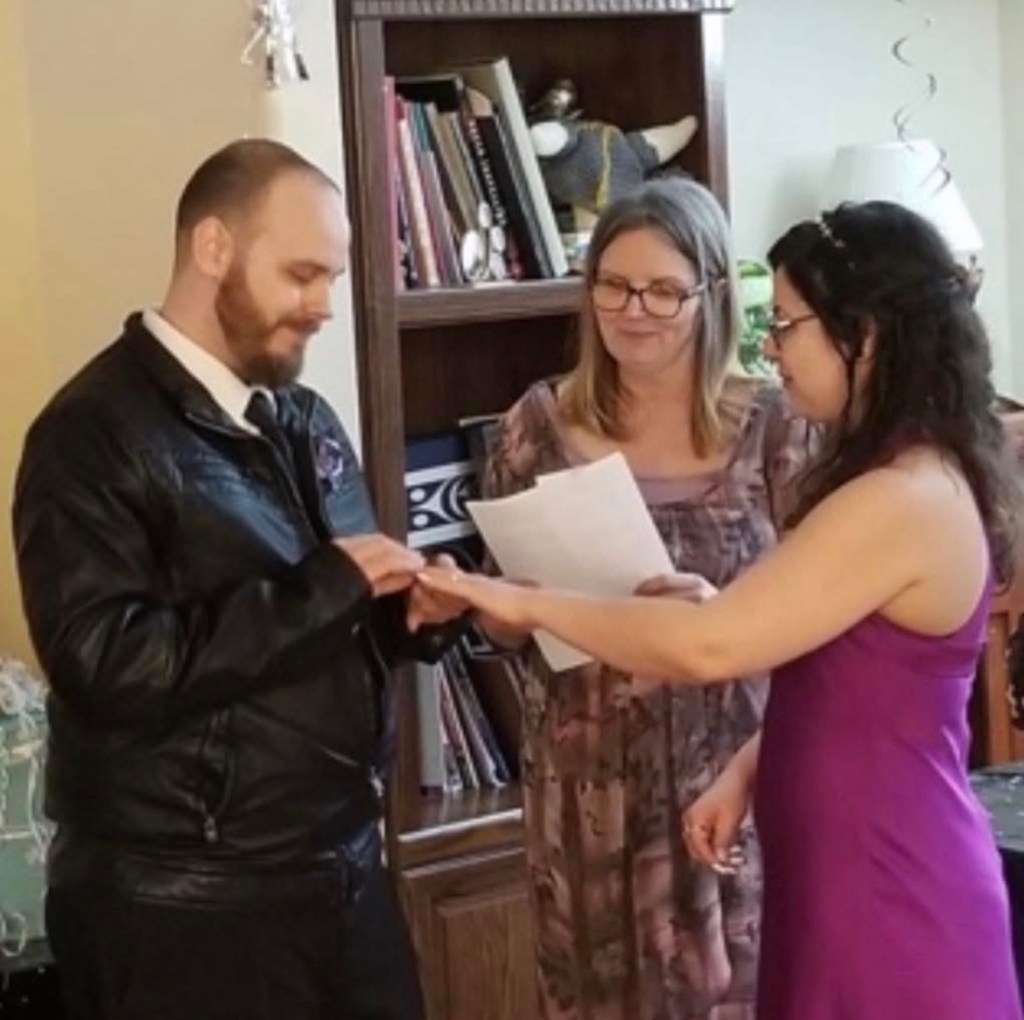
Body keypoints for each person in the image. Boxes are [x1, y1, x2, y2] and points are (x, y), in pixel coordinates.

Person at [419, 199, 1024, 1019]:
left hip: (885, 873)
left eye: (787, 325)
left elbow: (707, 646)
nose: (769, 348)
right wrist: (748, 768)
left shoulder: (903, 495)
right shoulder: (884, 478)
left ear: (866, 336)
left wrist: (516, 597)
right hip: (836, 862)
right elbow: (846, 686)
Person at [13, 139, 464, 1020]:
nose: (323, 306)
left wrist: (415, 618)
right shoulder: (88, 435)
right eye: (302, 274)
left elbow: (339, 610)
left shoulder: (306, 419)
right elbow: (105, 666)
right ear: (213, 247)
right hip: (187, 913)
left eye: (332, 278)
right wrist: (324, 591)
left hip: (344, 883)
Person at [473, 177, 810, 1020]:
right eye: (614, 286)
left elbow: (826, 622)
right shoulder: (536, 424)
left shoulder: (777, 426)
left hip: (731, 778)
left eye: (664, 290)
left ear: (712, 294)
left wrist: (720, 613)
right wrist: (504, 604)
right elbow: (498, 621)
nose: (634, 311)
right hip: (583, 790)